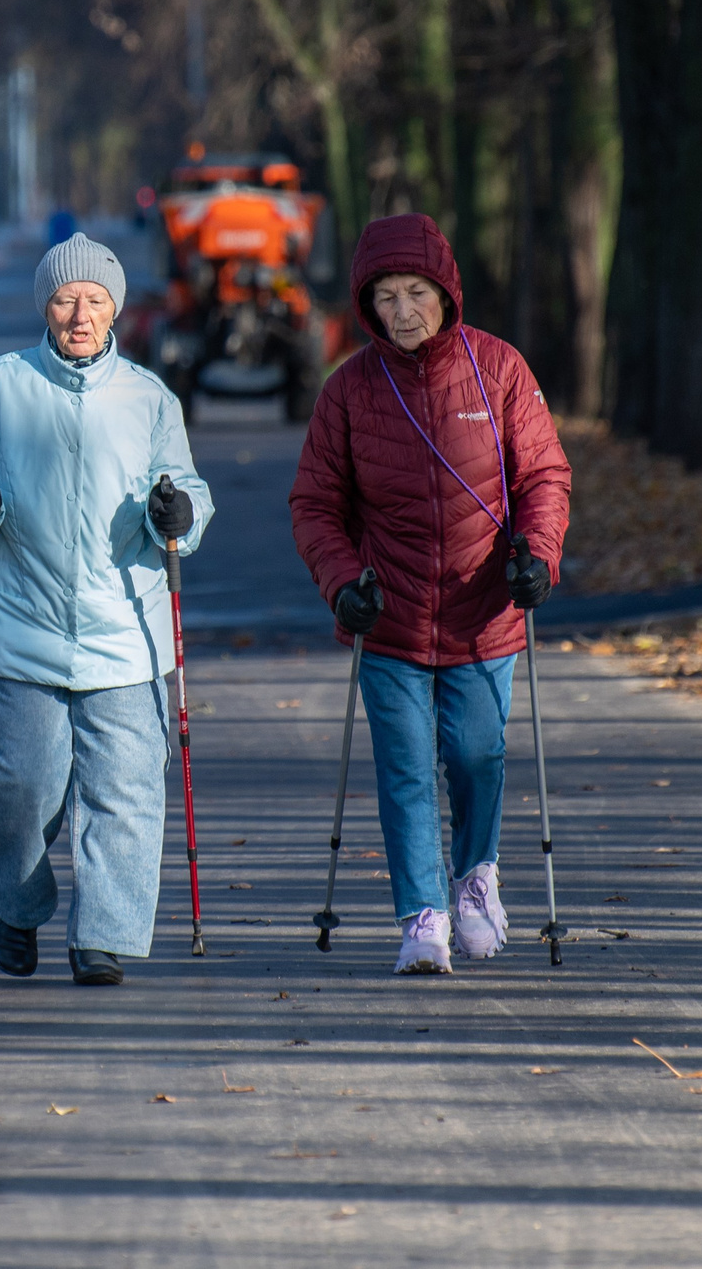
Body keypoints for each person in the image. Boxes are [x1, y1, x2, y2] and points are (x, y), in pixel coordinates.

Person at [0, 233, 215, 986]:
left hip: (126, 631)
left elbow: (188, 490)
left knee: (127, 786)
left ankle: (105, 937)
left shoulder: (150, 397)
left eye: (94, 299)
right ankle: (17, 909)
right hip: (20, 629)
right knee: (21, 787)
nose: (79, 314)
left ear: (115, 306)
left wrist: (177, 512)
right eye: (63, 299)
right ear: (44, 308)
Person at [288, 213, 570, 975]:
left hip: (486, 611)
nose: (403, 310)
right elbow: (314, 503)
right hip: (391, 616)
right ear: (366, 303)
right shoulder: (348, 391)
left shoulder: (500, 370)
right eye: (385, 296)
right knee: (407, 764)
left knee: (478, 754)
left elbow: (544, 475)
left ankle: (476, 880)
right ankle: (422, 914)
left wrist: (538, 557)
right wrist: (343, 582)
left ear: (446, 293)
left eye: (416, 292)